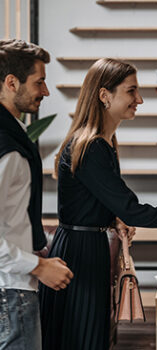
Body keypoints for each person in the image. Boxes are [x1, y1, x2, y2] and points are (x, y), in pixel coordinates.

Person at [39, 58, 157, 350]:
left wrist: (112, 218)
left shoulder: (98, 142)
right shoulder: (93, 146)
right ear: (105, 95)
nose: (139, 99)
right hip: (81, 253)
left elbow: (95, 200)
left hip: (83, 246)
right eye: (131, 91)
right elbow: (132, 208)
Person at [0, 39, 73, 350]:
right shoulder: (8, 146)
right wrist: (38, 266)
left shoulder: (12, 135)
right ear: (11, 82)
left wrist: (36, 251)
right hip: (10, 290)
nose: (45, 91)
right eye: (39, 82)